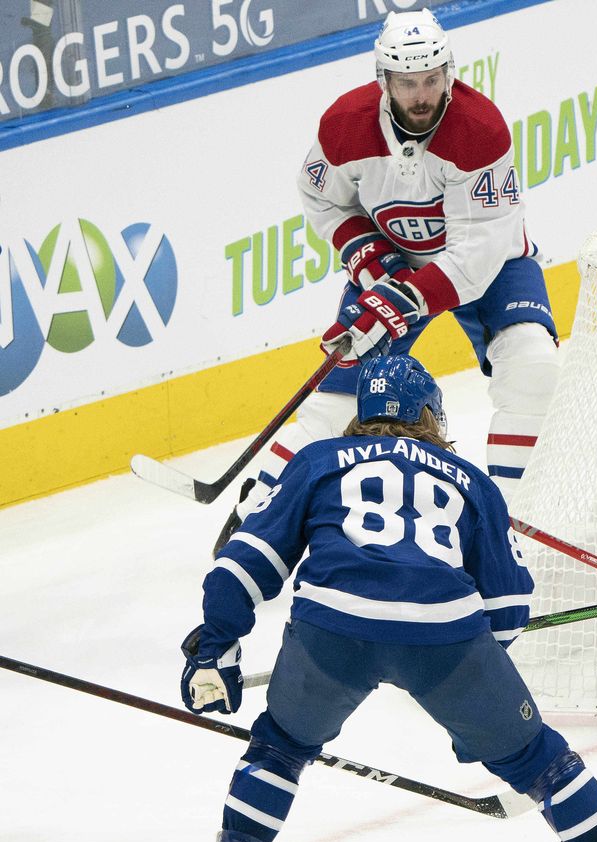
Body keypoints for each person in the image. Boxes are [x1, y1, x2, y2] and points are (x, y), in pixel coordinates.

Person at [181, 356, 597, 842]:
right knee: (535, 757)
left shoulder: (317, 460)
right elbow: (508, 610)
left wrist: (215, 646)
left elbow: (241, 566)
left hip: (332, 627)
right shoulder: (472, 481)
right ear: (427, 414)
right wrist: (475, 664)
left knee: (280, 749)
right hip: (446, 635)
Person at [214, 8, 559, 553]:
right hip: (393, 265)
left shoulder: (481, 130)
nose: (421, 95)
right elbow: (322, 199)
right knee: (337, 401)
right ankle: (264, 505)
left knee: (534, 366)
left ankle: (511, 532)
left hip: (490, 268)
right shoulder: (344, 124)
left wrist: (407, 299)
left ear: (448, 73)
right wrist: (376, 268)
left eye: (431, 80)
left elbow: (481, 249)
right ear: (385, 82)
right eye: (407, 83)